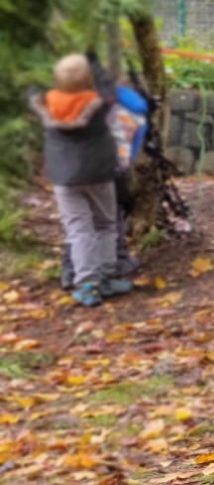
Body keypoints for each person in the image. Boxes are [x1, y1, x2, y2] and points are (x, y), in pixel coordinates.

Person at [29, 54, 130, 307]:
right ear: (88, 79)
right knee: (105, 224)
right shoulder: (96, 102)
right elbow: (109, 89)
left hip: (64, 177)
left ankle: (86, 283)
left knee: (78, 229)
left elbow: (30, 89)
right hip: (98, 174)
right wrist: (95, 61)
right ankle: (106, 276)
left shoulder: (47, 103)